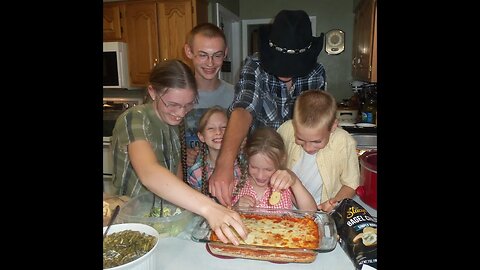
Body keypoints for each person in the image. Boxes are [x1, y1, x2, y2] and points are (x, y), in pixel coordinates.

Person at [111, 59, 247, 244]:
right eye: (173, 104)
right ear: (152, 92)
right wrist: (209, 208)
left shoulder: (174, 124)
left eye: (188, 104)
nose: (181, 113)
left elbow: (175, 176)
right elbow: (149, 172)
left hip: (162, 220)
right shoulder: (135, 118)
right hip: (131, 220)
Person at [208, 9, 327, 206]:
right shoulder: (254, 65)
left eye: (293, 65)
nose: (285, 70)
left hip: (301, 161)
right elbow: (243, 109)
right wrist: (224, 163)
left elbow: (318, 122)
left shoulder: (316, 73)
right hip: (259, 161)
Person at [277, 90, 360, 213]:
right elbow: (272, 162)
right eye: (300, 139)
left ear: (333, 126)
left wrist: (335, 202)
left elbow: (351, 184)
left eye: (316, 142)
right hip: (286, 207)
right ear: (294, 123)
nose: (308, 148)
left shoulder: (344, 142)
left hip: (323, 211)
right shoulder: (286, 130)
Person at [232, 127, 317, 211]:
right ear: (247, 158)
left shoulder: (286, 187)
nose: (260, 175)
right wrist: (236, 208)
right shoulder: (236, 185)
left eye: (268, 169)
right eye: (254, 167)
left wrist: (295, 182)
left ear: (281, 160)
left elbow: (311, 212)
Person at [183, 23, 235, 158]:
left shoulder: (237, 96)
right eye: (203, 55)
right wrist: (181, 155)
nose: (210, 63)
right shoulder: (177, 97)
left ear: (225, 53)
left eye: (217, 55)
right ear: (189, 52)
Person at [187, 106, 243, 195]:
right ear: (201, 137)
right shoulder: (196, 172)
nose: (218, 132)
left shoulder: (243, 164)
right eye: (211, 128)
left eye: (224, 127)